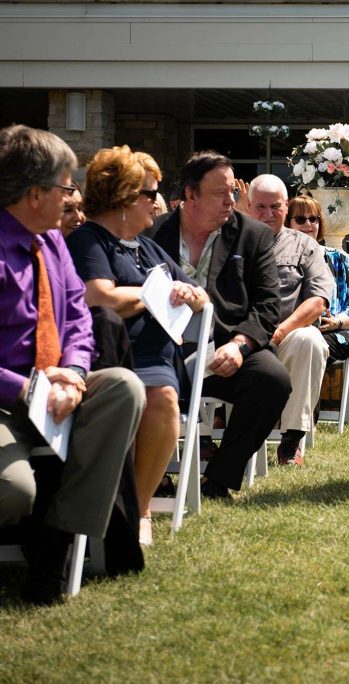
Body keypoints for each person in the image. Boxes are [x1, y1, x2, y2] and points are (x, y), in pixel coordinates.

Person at [0, 125, 146, 605]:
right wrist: (27, 388)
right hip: (7, 400)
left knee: (123, 387)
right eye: (65, 188)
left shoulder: (52, 241)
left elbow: (80, 318)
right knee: (12, 493)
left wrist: (76, 374)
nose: (71, 199)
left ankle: (54, 547)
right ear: (34, 194)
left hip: (55, 388)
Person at [66, 145, 209, 546]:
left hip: (157, 358)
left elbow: (202, 296)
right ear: (124, 198)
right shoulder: (89, 242)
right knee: (159, 394)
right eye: (150, 194)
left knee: (163, 395)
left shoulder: (147, 248)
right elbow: (99, 297)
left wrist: (189, 294)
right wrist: (155, 294)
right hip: (111, 356)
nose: (157, 203)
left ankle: (141, 509)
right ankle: (130, 507)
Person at [150, 152, 291, 499]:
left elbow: (268, 305)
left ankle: (218, 479)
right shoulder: (152, 233)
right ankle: (154, 477)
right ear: (191, 194)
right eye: (220, 193)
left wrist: (240, 344)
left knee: (272, 380)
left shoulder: (253, 235)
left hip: (225, 347)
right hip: (161, 351)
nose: (231, 200)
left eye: (233, 191)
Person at [247, 175, 333, 465]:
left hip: (284, 336)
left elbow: (318, 300)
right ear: (248, 206)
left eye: (276, 206)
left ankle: (291, 440)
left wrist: (280, 332)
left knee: (311, 340)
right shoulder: (230, 241)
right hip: (238, 338)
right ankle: (206, 435)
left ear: (286, 206)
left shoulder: (304, 246)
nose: (268, 213)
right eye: (261, 207)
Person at [285, 195, 349, 364]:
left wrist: (337, 322)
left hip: (332, 333)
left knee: (304, 347)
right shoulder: (282, 260)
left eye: (313, 219)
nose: (308, 224)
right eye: (300, 219)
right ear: (288, 223)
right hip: (291, 330)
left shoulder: (338, 258)